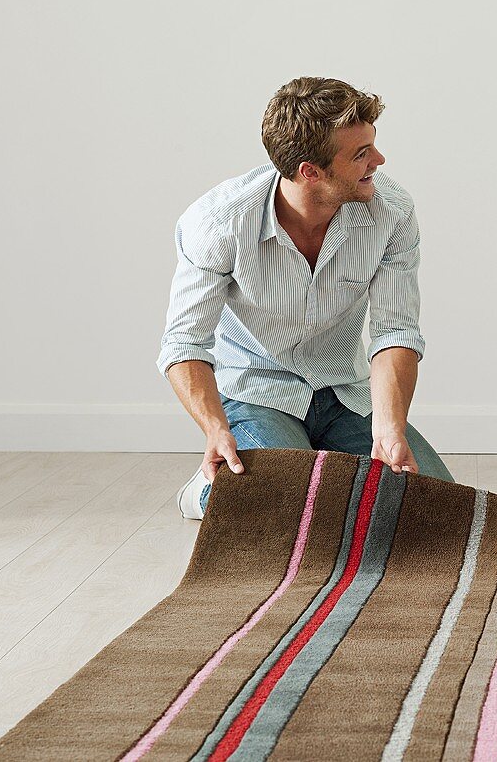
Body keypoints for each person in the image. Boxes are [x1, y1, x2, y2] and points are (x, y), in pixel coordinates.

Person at [158, 77, 453, 519]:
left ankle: (313, 459)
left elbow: (395, 331)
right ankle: (206, 491)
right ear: (309, 172)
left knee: (435, 506)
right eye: (360, 154)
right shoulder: (217, 223)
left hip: (346, 393)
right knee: (295, 517)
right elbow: (183, 345)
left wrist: (388, 428)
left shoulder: (391, 211)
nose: (379, 160)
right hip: (256, 391)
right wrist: (216, 429)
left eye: (372, 145)